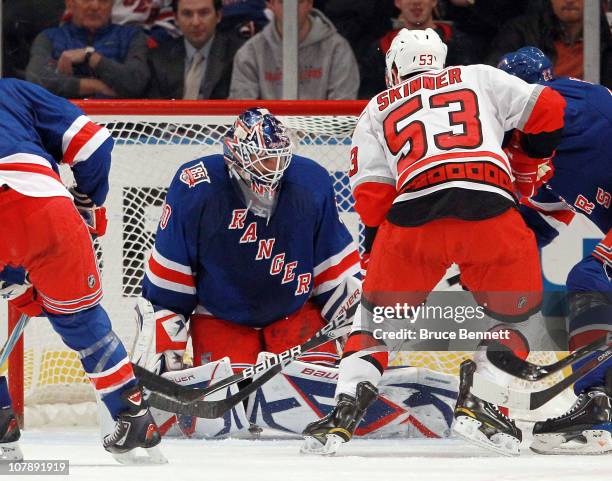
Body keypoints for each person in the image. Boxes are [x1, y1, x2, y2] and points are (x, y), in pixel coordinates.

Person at [300, 28, 567, 456]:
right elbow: (551, 108)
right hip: (491, 212)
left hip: (411, 218)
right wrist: (525, 161)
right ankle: (483, 398)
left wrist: (383, 254)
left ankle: (345, 407)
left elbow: (372, 202)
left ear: (394, 69)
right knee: (515, 318)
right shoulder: (479, 76)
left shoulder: (377, 107)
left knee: (373, 324)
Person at [131, 107, 361, 382]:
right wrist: (166, 352)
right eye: (262, 160)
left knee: (316, 398)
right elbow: (169, 285)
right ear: (234, 155)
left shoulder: (311, 182)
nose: (272, 170)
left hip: (296, 315)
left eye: (276, 160)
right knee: (229, 412)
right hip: (222, 318)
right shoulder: (196, 187)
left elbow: (334, 269)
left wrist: (360, 338)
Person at [0, 79, 163, 463]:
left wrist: (22, 290)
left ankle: (2, 420)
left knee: (28, 295)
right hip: (43, 207)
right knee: (81, 320)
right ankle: (132, 416)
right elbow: (94, 144)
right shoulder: (11, 91)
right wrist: (90, 202)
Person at [498, 46, 612, 455]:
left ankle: (598, 405)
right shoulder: (550, 139)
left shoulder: (571, 102)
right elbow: (539, 219)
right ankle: (599, 400)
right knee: (589, 276)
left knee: (591, 278)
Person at [228, 0, 359, 99]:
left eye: (298, 2)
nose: (291, 10)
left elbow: (342, 115)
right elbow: (243, 112)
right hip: (267, 134)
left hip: (324, 135)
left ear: (309, 3)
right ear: (270, 4)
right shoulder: (250, 53)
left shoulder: (337, 49)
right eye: (282, 2)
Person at [25, 0, 150, 99]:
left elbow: (136, 83)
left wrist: (91, 57)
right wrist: (95, 86)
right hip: (65, 122)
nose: (95, 6)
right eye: (86, 0)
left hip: (121, 125)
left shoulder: (131, 37)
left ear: (112, 5)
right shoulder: (49, 38)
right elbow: (35, 79)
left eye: (104, 1)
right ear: (70, 3)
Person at [359, 0, 477, 99]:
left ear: (434, 1)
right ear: (397, 2)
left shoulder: (458, 43)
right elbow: (369, 97)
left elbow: (470, 91)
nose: (416, 2)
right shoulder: (380, 49)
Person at [486, 0, 612, 87]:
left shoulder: (607, 38)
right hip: (534, 112)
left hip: (590, 115)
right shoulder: (521, 31)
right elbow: (492, 75)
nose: (569, 1)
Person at [147, 0, 246, 99]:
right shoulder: (158, 58)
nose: (195, 22)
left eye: (204, 13)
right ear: (176, 18)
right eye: (187, 14)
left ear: (218, 16)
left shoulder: (239, 55)